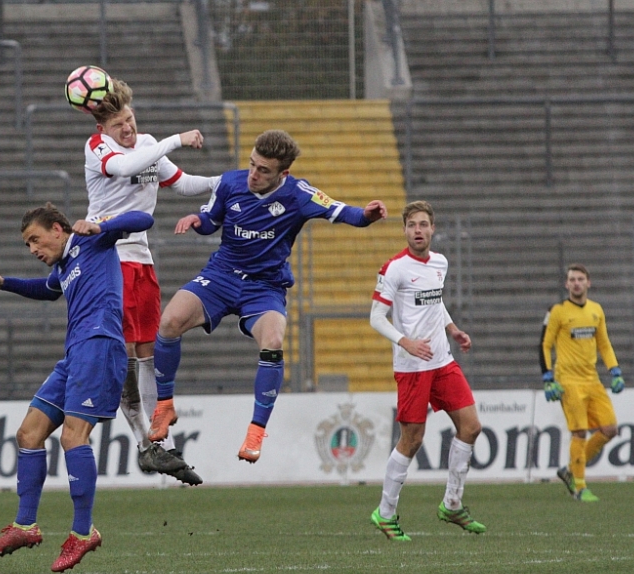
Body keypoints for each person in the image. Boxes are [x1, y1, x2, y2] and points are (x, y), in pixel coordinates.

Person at [147, 129, 387, 462]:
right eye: (252, 164)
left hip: (264, 287)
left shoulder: (299, 194)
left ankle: (256, 431)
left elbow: (344, 212)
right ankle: (164, 406)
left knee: (273, 341)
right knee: (170, 321)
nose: (253, 174)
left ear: (282, 173)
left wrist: (367, 216)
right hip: (221, 276)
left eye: (263, 170)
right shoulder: (230, 182)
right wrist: (196, 220)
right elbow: (211, 220)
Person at [0, 203, 153, 572]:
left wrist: (101, 226)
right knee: (28, 434)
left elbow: (144, 219)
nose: (33, 249)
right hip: (74, 354)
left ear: (56, 229)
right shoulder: (64, 266)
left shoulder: (92, 241)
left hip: (100, 345)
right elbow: (48, 290)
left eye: (35, 240)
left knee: (72, 437)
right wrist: (3, 283)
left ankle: (83, 532)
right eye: (27, 245)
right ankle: (25, 525)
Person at [84, 76, 219, 485]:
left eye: (130, 119)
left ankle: (157, 440)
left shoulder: (147, 145)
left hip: (141, 259)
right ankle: (146, 442)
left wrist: (227, 183)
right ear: (103, 129)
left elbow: (184, 184)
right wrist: (177, 139)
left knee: (148, 351)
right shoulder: (97, 148)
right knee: (123, 351)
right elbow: (125, 167)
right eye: (118, 124)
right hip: (108, 256)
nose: (127, 128)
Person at [368, 200, 486, 541]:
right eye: (412, 225)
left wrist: (453, 329)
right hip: (413, 367)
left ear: (432, 229)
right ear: (404, 230)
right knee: (412, 439)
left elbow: (435, 301)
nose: (417, 230)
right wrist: (405, 342)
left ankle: (452, 504)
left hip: (442, 361)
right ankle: (385, 513)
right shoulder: (394, 269)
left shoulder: (440, 262)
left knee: (471, 427)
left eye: (423, 224)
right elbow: (376, 317)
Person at [540, 263, 624, 503]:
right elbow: (545, 345)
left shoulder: (596, 310)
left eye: (580, 279)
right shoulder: (558, 311)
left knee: (610, 429)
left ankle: (570, 469)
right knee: (579, 432)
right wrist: (548, 377)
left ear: (588, 283)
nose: (576, 283)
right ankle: (579, 487)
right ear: (566, 284)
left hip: (592, 379)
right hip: (568, 381)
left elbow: (604, 344)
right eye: (572, 280)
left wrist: (615, 370)